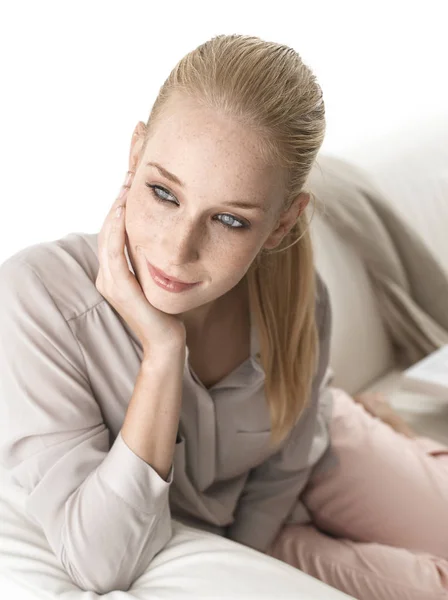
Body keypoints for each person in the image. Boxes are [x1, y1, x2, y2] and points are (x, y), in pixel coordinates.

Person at [0, 33, 447, 600]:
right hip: (253, 531)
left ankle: (392, 432)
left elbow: (290, 453)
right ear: (135, 157)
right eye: (164, 193)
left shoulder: (295, 296)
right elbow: (99, 563)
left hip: (319, 451)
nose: (178, 249)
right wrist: (163, 356)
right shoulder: (36, 303)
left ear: (283, 223)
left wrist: (269, 528)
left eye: (229, 221)